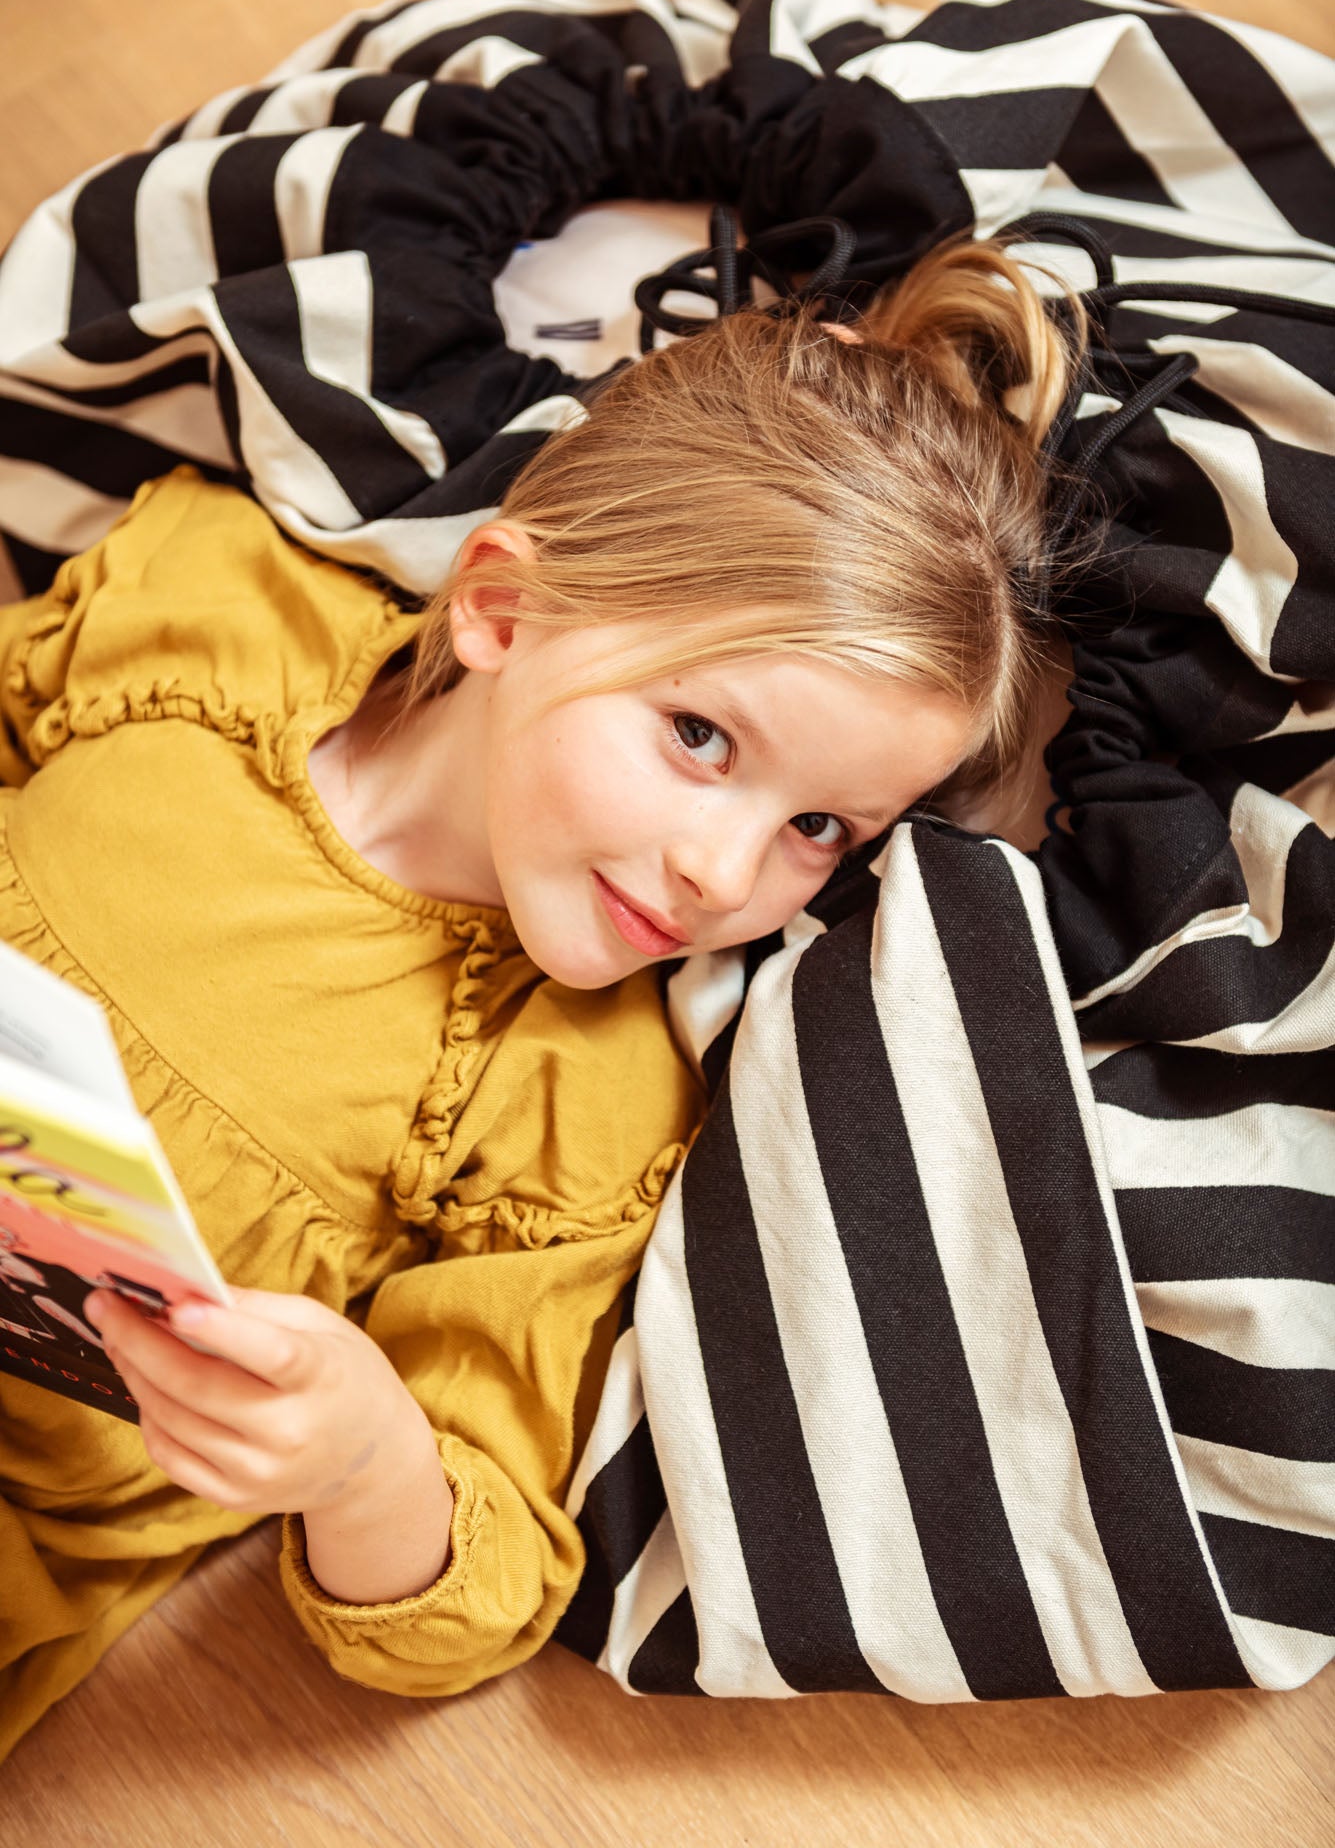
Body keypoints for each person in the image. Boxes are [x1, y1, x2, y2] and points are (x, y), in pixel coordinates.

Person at [0, 228, 1086, 1758]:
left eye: (818, 829)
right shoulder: (214, 612)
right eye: (702, 736)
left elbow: (479, 1580)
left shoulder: (577, 1085)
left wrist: (361, 1457)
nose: (725, 872)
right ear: (501, 608)